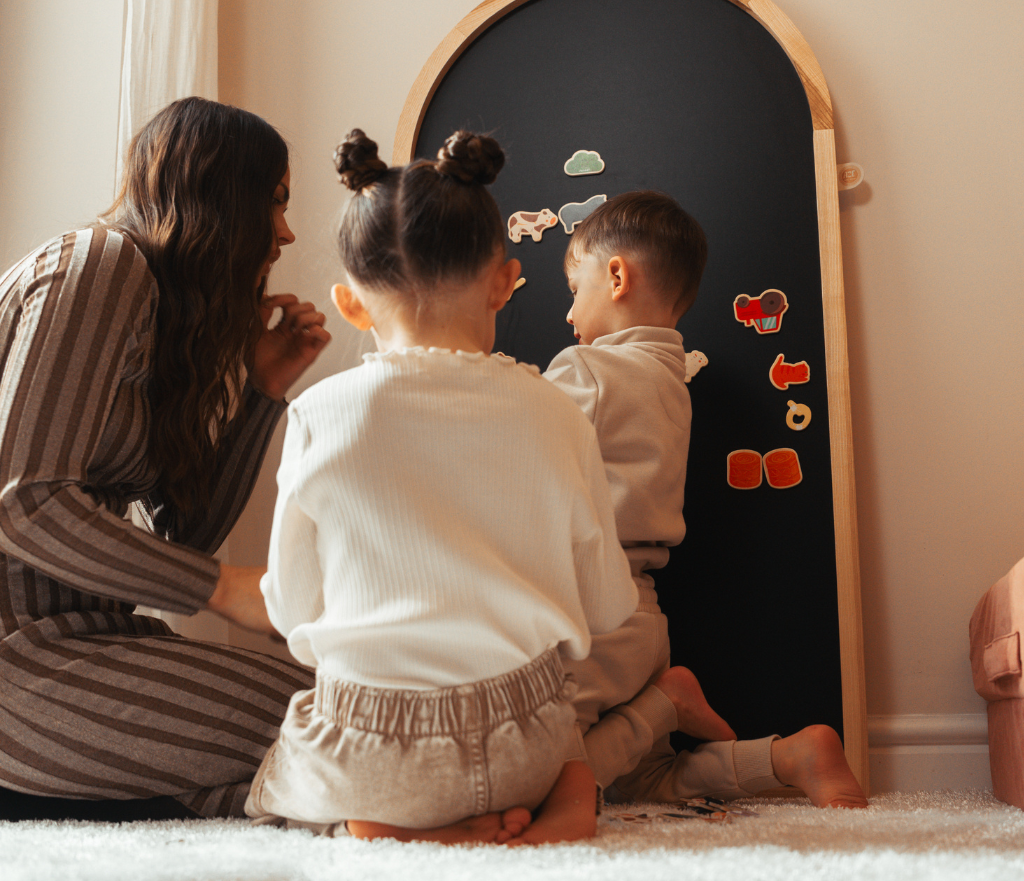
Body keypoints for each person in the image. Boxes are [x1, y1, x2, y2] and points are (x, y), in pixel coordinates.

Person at [244, 129, 639, 845]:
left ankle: (389, 830)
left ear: (351, 304)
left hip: (373, 750)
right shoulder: (557, 412)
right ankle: (561, 804)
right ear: (504, 280)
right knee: (575, 743)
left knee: (275, 786)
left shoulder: (317, 414)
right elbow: (609, 606)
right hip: (527, 742)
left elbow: (295, 611)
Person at [0, 97, 331, 819]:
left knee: (333, 712)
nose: (285, 231)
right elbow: (23, 504)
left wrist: (261, 391)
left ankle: (152, 800)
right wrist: (223, 588)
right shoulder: (98, 265)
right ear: (216, 197)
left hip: (88, 639)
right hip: (19, 657)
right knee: (330, 724)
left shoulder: (148, 308)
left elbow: (184, 538)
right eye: (271, 202)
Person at [544, 191, 868, 809]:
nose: (567, 314)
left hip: (585, 609)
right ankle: (791, 754)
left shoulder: (585, 370)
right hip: (642, 612)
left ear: (616, 277)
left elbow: (516, 451)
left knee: (547, 780)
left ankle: (663, 703)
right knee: (645, 782)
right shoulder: (670, 378)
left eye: (572, 289)